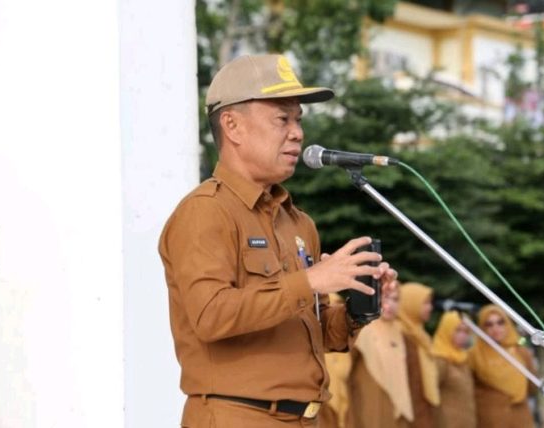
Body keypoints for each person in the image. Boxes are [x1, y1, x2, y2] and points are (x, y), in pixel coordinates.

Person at [158, 54, 398, 428]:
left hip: (305, 418)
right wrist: (311, 280)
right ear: (233, 126)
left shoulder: (298, 222)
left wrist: (357, 305)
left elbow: (317, 333)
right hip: (236, 416)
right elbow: (210, 316)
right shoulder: (205, 211)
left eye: (299, 120)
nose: (298, 133)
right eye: (282, 119)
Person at [346, 282, 414, 428]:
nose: (389, 305)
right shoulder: (361, 329)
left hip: (399, 409)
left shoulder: (403, 333)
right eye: (385, 298)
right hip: (370, 404)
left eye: (395, 299)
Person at [468, 304, 536, 428]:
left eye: (500, 322)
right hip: (489, 419)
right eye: (489, 324)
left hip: (521, 417)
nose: (496, 328)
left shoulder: (520, 351)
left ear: (508, 324)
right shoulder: (474, 355)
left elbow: (532, 386)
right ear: (482, 328)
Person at [397, 282, 439, 428]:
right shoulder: (400, 336)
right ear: (410, 304)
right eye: (425, 303)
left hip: (422, 411)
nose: (430, 308)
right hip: (407, 414)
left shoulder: (421, 336)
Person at [432, 311, 475, 428]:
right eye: (458, 330)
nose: (462, 335)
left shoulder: (463, 358)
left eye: (466, 331)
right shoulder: (439, 359)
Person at [319, 294, 352, 428]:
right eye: (332, 306)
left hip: (343, 401)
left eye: (340, 305)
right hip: (319, 405)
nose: (336, 310)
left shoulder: (344, 341)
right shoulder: (314, 342)